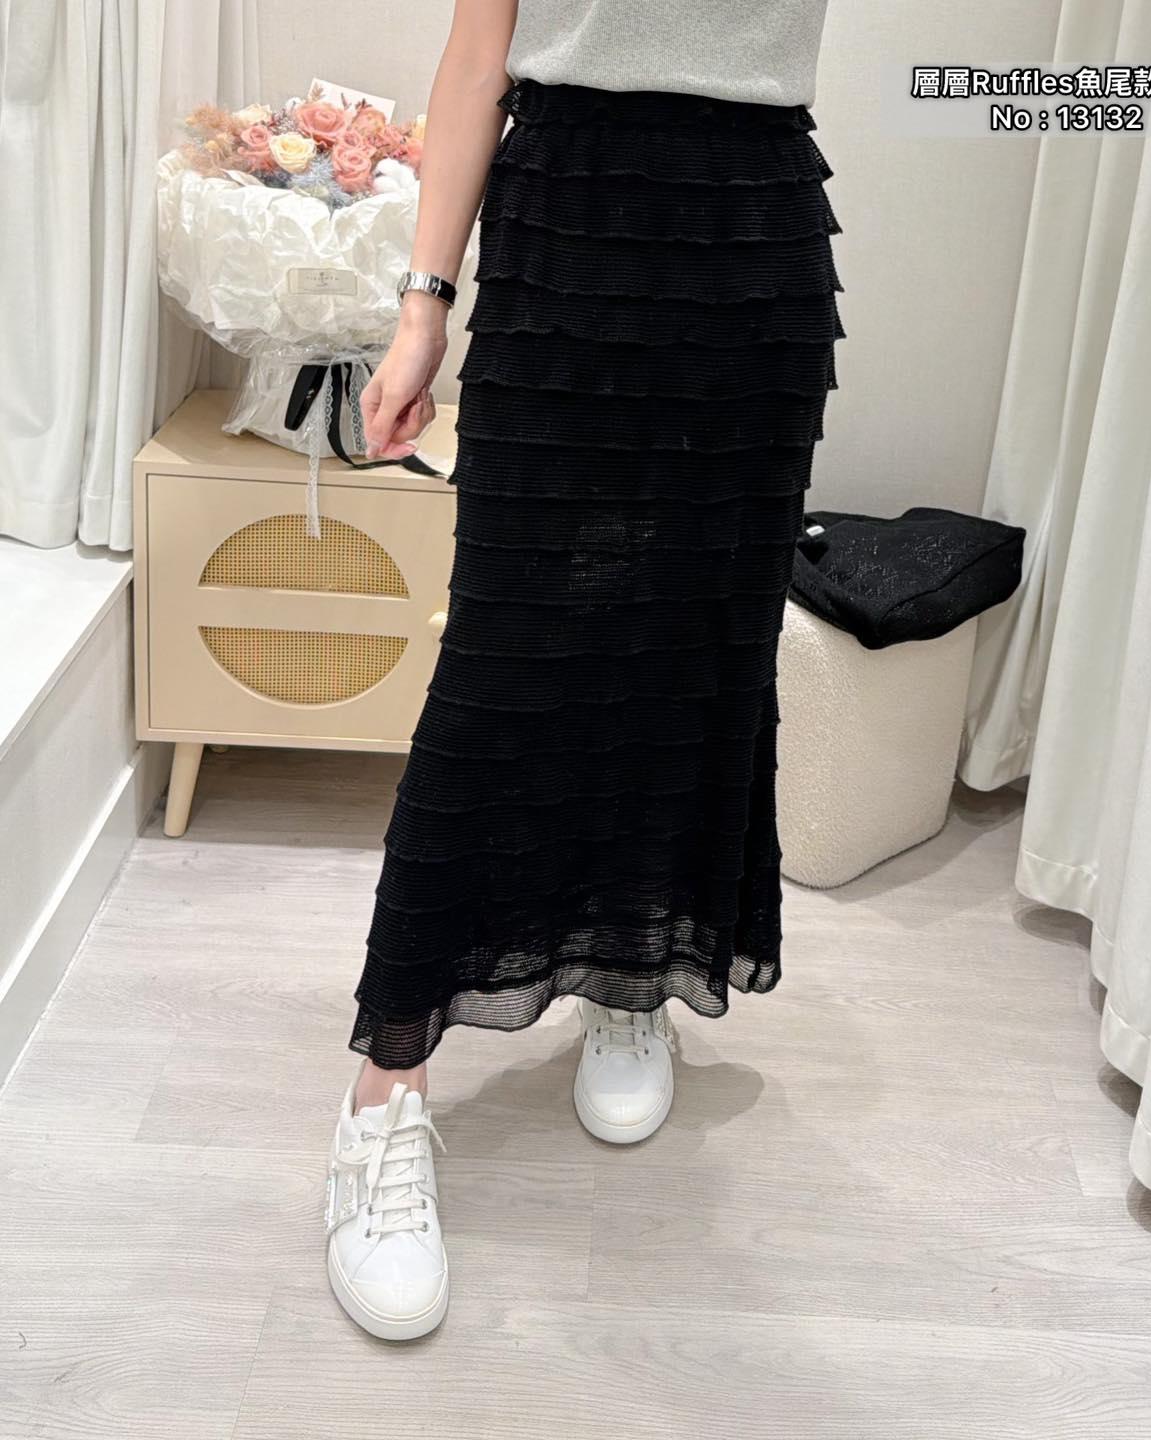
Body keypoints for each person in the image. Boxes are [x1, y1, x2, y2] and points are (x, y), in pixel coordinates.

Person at [326, 0, 839, 1340]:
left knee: (697, 655)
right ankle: (385, 1092)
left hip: (754, 235)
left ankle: (631, 965)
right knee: (503, 671)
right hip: (568, 217)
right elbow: (478, 55)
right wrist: (423, 306)